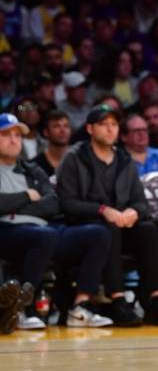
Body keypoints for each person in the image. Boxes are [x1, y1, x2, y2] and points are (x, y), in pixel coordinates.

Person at [56, 104, 158, 326]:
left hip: (122, 224)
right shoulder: (73, 158)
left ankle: (156, 299)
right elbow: (66, 203)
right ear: (90, 129)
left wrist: (133, 211)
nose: (110, 129)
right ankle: (117, 299)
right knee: (109, 229)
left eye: (114, 124)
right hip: (87, 226)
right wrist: (103, 210)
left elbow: (141, 202)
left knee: (148, 230)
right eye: (103, 124)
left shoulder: (124, 160)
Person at [0, 113, 113, 329]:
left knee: (98, 233)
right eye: (6, 135)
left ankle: (81, 307)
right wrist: (26, 196)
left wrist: (15, 203)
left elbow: (53, 204)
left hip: (42, 229)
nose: (14, 139)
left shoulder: (32, 169)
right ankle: (24, 309)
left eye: (17, 135)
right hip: (7, 231)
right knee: (44, 236)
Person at [33, 110, 72, 177]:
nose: (62, 130)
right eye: (56, 126)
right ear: (46, 132)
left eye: (66, 126)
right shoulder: (35, 165)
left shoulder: (80, 161)